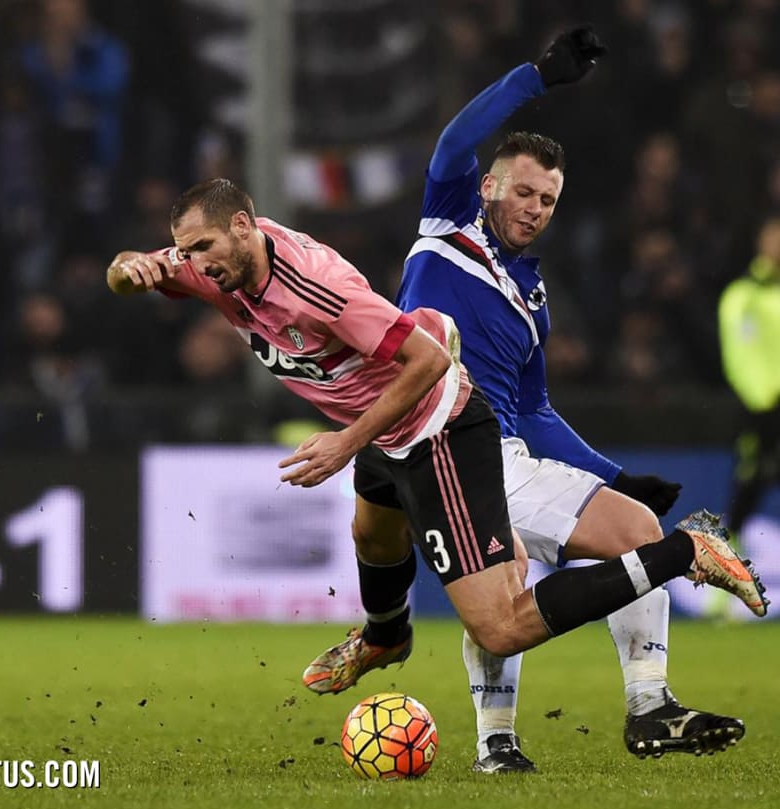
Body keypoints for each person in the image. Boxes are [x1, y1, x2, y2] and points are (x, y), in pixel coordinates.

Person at [106, 177, 766, 767]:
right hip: (384, 430)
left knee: (500, 625)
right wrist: (130, 270)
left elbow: (427, 361)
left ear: (243, 226)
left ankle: (686, 550)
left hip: (434, 431)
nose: (196, 263)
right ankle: (385, 637)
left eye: (203, 248)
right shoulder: (218, 263)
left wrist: (346, 443)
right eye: (186, 251)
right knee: (373, 535)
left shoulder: (316, 289)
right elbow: (135, 272)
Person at [301, 27, 769, 771]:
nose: (535, 207)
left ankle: (603, 719)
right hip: (443, 442)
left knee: (612, 532)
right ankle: (528, 719)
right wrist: (536, 78)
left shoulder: (532, 298)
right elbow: (454, 141)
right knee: (503, 568)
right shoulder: (449, 225)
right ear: (489, 187)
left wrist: (614, 475)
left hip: (490, 448)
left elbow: (536, 411)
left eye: (548, 199)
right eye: (523, 191)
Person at [719, 215, 780, 544]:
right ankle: (729, 552)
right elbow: (738, 355)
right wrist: (763, 399)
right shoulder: (742, 296)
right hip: (762, 410)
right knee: (750, 479)